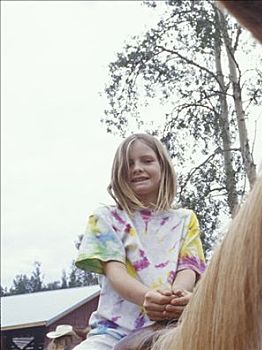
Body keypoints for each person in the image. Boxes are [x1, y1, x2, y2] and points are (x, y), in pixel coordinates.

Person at [73, 133, 206, 349]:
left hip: (175, 326)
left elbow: (188, 268)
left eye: (147, 160)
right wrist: (147, 297)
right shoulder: (106, 219)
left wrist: (176, 298)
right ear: (118, 173)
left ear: (163, 168)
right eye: (129, 163)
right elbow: (116, 273)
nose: (137, 168)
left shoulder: (185, 219)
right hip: (114, 332)